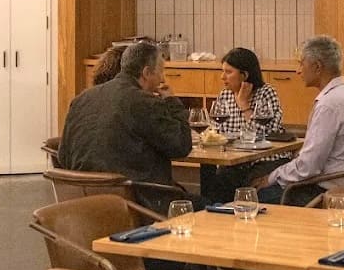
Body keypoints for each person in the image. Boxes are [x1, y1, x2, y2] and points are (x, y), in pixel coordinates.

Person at [253, 36, 344, 206]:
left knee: (251, 196)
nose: (298, 71)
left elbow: (308, 167)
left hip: (322, 188)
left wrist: (271, 177)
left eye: (301, 64)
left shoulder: (329, 104)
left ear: (317, 67)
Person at [57, 41, 191, 186]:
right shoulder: (145, 102)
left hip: (83, 195)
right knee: (204, 200)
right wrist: (172, 101)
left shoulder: (80, 100)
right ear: (146, 73)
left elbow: (63, 156)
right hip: (134, 195)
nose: (163, 79)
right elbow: (181, 146)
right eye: (160, 71)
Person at [203, 47, 290, 202]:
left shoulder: (266, 92)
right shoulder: (225, 95)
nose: (223, 77)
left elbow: (265, 133)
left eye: (228, 72)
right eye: (222, 71)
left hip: (266, 159)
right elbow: (216, 131)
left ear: (244, 75)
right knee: (216, 183)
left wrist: (243, 104)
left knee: (251, 188)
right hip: (235, 159)